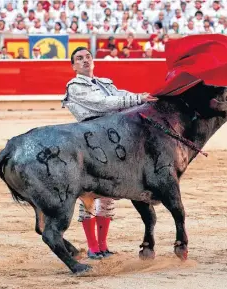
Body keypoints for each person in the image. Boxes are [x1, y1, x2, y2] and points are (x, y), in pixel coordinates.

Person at [62, 47, 157, 259]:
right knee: (88, 196)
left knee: (107, 196)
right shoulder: (75, 86)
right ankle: (92, 247)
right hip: (88, 143)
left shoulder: (105, 82)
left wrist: (143, 97)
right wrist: (138, 99)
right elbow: (103, 104)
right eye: (79, 59)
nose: (85, 61)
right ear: (73, 66)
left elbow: (120, 95)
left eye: (88, 57)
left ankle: (103, 246)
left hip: (111, 142)